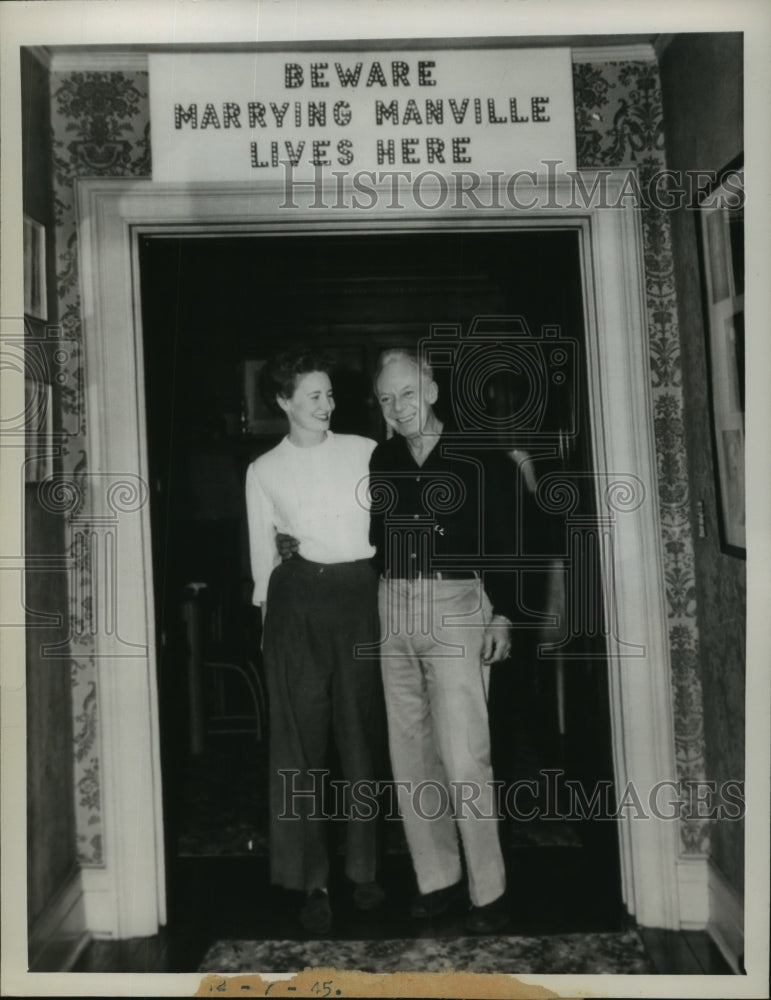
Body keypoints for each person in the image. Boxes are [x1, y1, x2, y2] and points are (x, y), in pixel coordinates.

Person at [369, 347, 515, 934]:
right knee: (411, 757)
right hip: (393, 606)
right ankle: (438, 880)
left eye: (406, 393)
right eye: (386, 398)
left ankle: (491, 891)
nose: (398, 407)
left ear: (430, 390)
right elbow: (376, 538)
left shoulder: (481, 458)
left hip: (457, 604)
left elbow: (506, 540)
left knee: (464, 756)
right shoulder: (382, 460)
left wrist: (501, 615)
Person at [244, 347, 385, 935]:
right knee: (299, 748)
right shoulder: (264, 470)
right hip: (295, 606)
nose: (327, 405)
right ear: (284, 402)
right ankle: (311, 880)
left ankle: (366, 870)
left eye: (330, 394)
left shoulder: (365, 452)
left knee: (360, 738)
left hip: (360, 598)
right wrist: (268, 628)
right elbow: (261, 560)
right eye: (314, 397)